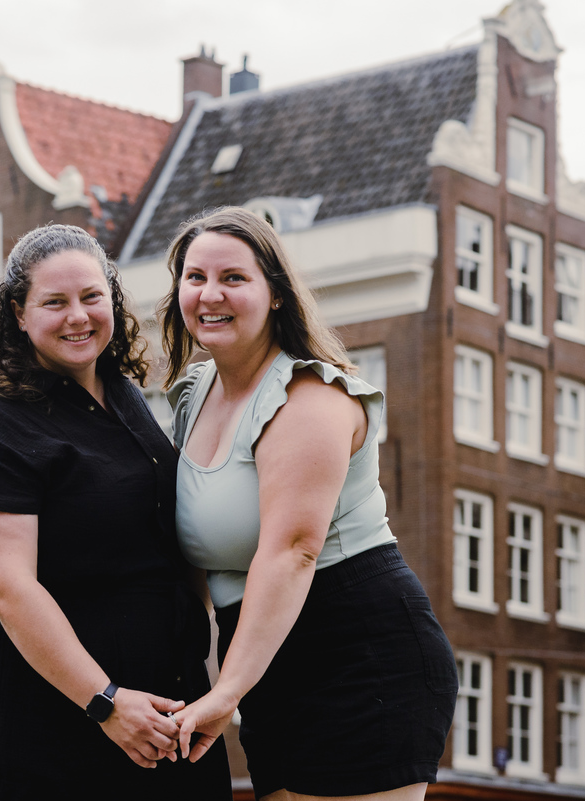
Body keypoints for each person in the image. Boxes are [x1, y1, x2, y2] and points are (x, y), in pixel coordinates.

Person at [0, 224, 232, 800]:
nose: (78, 317)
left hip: (164, 710)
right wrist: (104, 700)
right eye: (54, 302)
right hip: (49, 718)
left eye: (91, 297)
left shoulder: (126, 398)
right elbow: (6, 591)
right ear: (17, 313)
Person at [158, 207, 457, 801]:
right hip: (268, 659)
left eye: (234, 278)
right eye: (195, 278)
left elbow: (294, 551)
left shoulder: (310, 396)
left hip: (357, 648)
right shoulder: (192, 395)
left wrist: (225, 692)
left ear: (275, 294)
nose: (209, 294)